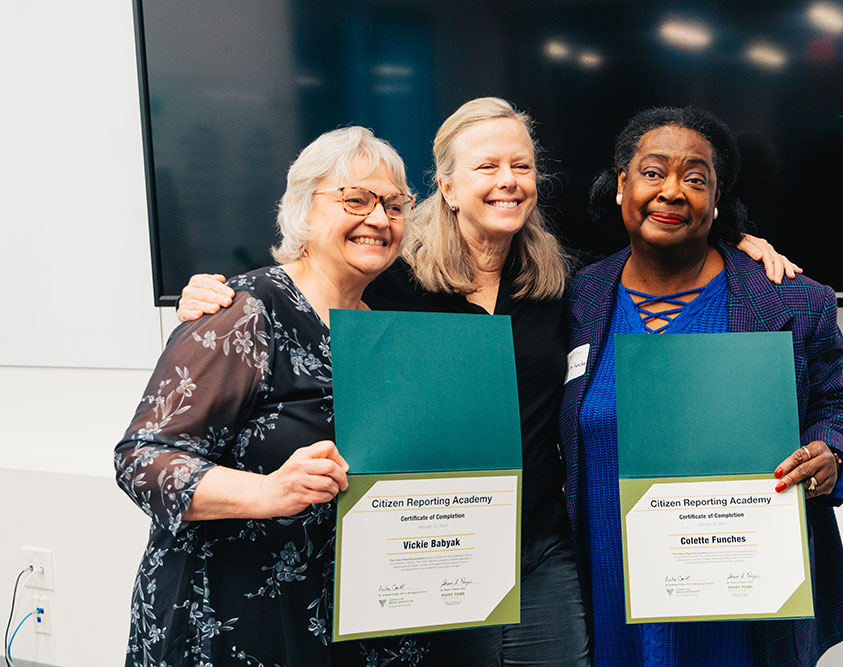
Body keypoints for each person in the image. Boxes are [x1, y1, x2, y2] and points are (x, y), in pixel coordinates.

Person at [175, 98, 801, 666]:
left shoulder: (568, 283)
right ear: (445, 187)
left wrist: (738, 242)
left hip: (540, 555)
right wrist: (212, 293)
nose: (508, 182)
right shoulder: (389, 282)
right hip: (421, 553)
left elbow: (662, 236)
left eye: (521, 167)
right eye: (486, 168)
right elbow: (311, 271)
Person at [558, 106, 843, 666]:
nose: (672, 192)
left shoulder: (791, 300)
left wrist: (832, 455)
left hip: (740, 603)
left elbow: (837, 407)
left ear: (717, 199)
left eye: (696, 179)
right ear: (622, 186)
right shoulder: (579, 296)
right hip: (607, 586)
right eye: (653, 173)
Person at [115, 126, 422, 666]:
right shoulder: (241, 311)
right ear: (304, 209)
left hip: (346, 620)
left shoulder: (385, 332)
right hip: (232, 620)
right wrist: (269, 492)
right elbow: (142, 462)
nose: (379, 218)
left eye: (395, 205)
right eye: (356, 199)